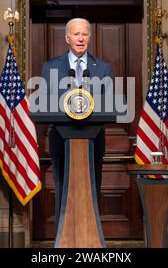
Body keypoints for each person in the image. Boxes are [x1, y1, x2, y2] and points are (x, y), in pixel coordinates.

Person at [40, 18, 113, 232]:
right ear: (67, 38)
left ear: (90, 37)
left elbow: (109, 104)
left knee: (91, 189)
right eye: (76, 34)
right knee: (63, 190)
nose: (80, 38)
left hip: (93, 139)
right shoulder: (51, 67)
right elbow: (44, 102)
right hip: (61, 140)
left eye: (85, 34)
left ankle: (90, 236)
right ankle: (64, 237)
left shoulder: (103, 68)